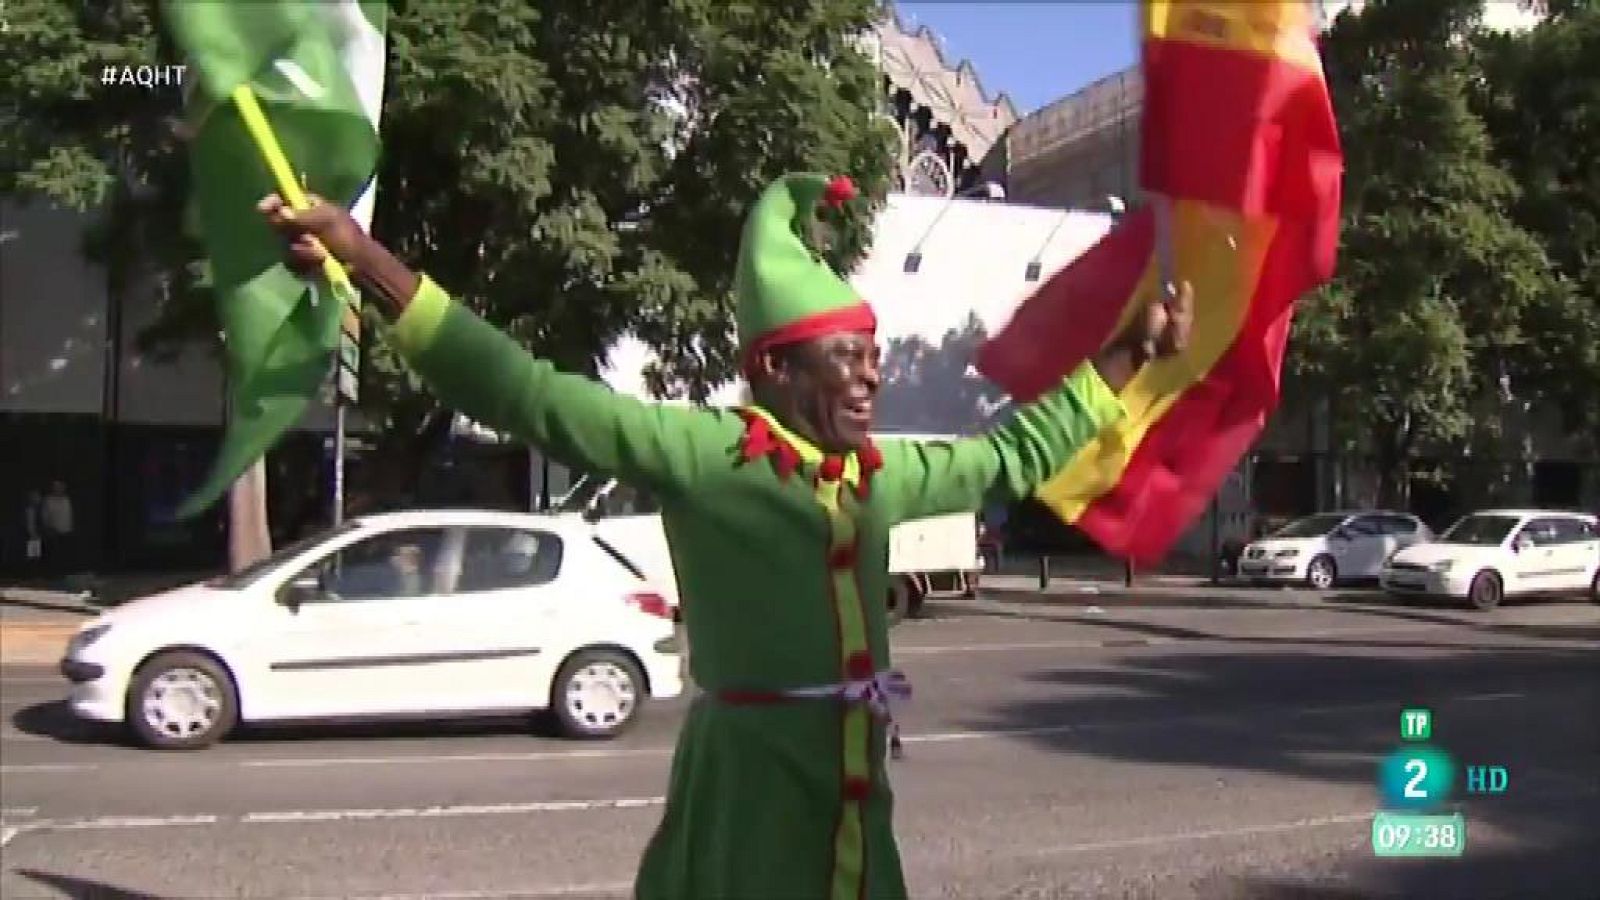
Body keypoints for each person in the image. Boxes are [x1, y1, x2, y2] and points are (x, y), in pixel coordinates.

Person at [258, 172, 1192, 900]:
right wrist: (366, 260)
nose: (872, 378)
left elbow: (1012, 455)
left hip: (856, 814)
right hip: (748, 801)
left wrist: (1135, 348)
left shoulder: (883, 475)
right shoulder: (704, 453)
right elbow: (525, 393)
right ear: (776, 370)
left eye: (873, 358)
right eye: (848, 358)